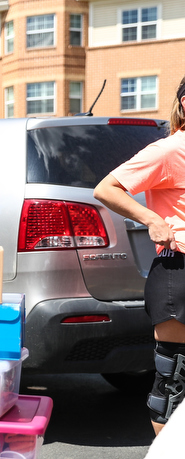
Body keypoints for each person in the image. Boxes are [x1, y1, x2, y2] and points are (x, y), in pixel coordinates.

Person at [93, 75, 185, 435]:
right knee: (173, 380)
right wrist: (151, 218)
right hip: (179, 271)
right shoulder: (170, 150)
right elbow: (106, 188)